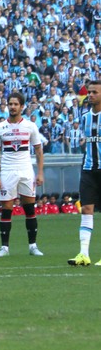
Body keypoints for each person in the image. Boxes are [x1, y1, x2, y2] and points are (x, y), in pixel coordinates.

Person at [0, 92, 45, 257]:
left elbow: (38, 150)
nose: (12, 107)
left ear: (22, 107)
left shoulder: (30, 126)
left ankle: (33, 246)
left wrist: (40, 172)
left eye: (15, 104)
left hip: (26, 170)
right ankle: (4, 248)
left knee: (29, 207)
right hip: (7, 171)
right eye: (10, 104)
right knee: (6, 208)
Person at [68, 80, 101, 266]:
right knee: (86, 209)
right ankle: (83, 254)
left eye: (94, 92)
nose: (90, 95)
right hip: (89, 169)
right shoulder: (85, 117)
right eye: (89, 92)